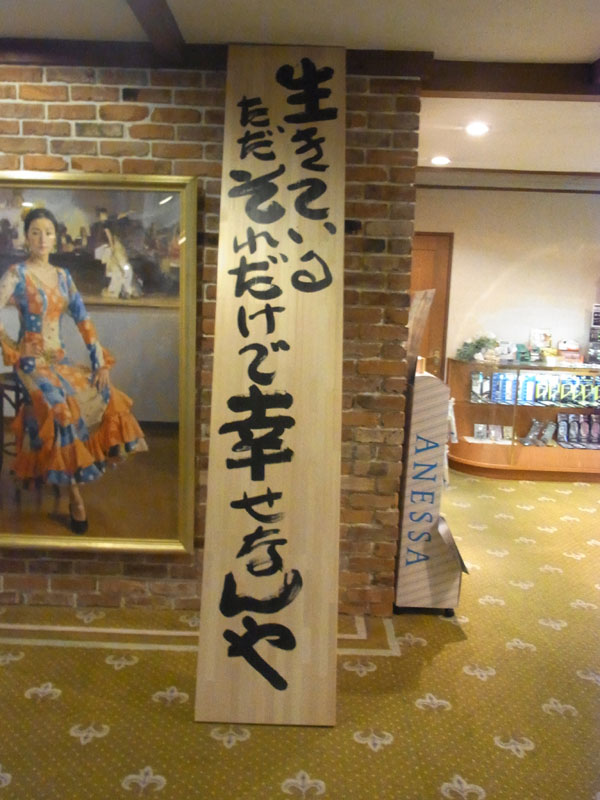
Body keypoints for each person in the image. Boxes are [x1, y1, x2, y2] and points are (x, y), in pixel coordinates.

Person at [0, 207, 148, 534]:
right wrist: (13, 347)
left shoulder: (64, 277)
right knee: (61, 410)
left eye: (48, 232)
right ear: (27, 237)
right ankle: (75, 498)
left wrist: (99, 363)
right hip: (31, 365)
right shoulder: (17, 274)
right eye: (35, 232)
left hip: (60, 360)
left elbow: (84, 321)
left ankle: (74, 470)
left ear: (56, 237)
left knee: (106, 393)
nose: (42, 239)